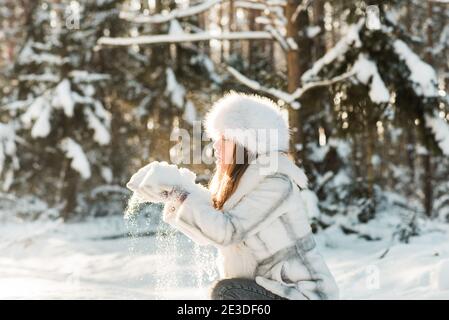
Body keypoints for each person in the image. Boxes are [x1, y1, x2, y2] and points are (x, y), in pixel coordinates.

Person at [127, 92, 339, 300]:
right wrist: (173, 194)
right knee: (228, 291)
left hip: (302, 295)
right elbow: (207, 231)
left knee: (228, 292)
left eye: (225, 139)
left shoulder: (276, 183)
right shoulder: (239, 186)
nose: (216, 146)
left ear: (249, 143)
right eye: (216, 138)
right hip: (272, 291)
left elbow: (228, 231)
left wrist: (183, 195)